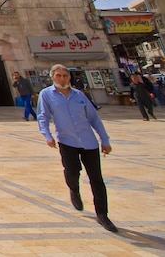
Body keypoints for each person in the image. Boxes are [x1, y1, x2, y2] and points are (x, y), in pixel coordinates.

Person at [38, 64, 116, 232]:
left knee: (97, 178)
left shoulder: (79, 95)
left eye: (65, 75)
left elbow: (94, 118)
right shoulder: (46, 95)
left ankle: (102, 214)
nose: (62, 79)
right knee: (72, 172)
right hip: (67, 141)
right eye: (58, 76)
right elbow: (43, 116)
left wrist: (105, 139)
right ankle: (74, 189)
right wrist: (47, 135)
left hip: (89, 142)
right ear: (52, 77)